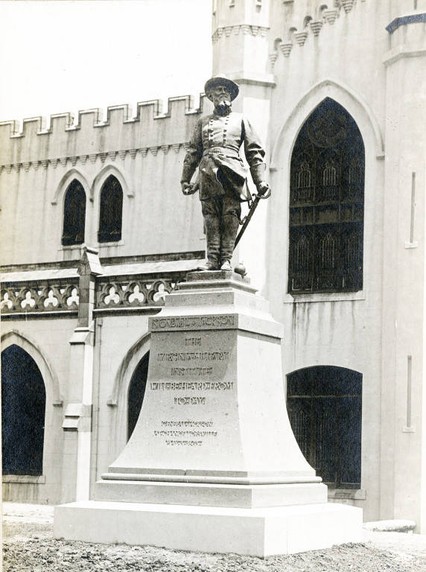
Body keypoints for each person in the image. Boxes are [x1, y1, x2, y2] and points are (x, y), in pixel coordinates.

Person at [180, 76, 270, 271]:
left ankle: (226, 259)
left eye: (226, 90)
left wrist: (260, 182)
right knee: (210, 216)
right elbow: (193, 152)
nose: (222, 93)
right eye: (218, 90)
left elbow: (254, 153)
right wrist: (185, 179)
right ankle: (212, 259)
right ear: (211, 96)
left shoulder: (242, 120)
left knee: (230, 215)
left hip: (233, 173)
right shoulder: (202, 122)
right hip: (207, 173)